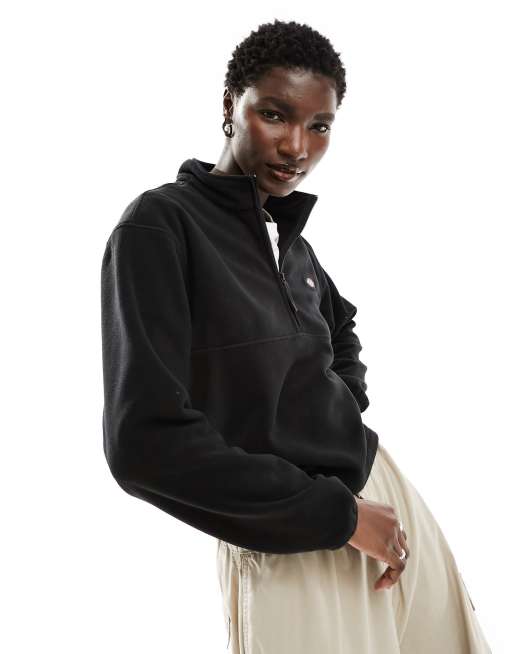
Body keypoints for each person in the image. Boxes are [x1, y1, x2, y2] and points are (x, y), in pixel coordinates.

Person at [100, 18, 492, 654]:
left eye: (320, 126)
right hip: (296, 531)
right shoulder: (160, 226)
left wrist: (337, 411)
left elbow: (342, 332)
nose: (297, 147)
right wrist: (339, 516)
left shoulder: (291, 245)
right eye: (275, 115)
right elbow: (142, 443)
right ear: (230, 105)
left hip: (384, 497)